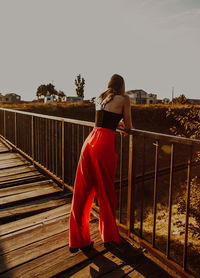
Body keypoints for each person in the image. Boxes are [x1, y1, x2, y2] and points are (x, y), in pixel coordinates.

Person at [69, 74, 133, 252]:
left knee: (82, 190)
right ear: (122, 86)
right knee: (105, 191)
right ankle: (109, 237)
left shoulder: (100, 97)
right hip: (104, 144)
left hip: (90, 141)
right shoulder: (124, 99)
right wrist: (121, 126)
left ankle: (77, 241)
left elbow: (102, 121)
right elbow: (129, 127)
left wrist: (114, 123)